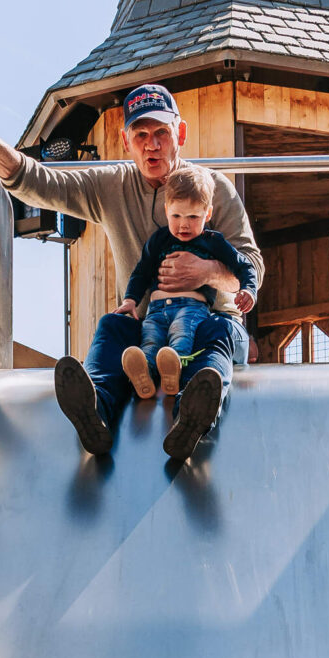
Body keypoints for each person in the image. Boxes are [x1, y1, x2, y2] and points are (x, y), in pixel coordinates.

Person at [0, 82, 261, 464]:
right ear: (125, 140)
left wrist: (208, 271)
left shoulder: (211, 190)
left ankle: (193, 417)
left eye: (161, 133)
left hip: (208, 322)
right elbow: (45, 184)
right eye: (141, 134)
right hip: (149, 324)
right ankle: (95, 412)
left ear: (179, 133)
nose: (152, 144)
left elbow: (250, 264)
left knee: (219, 335)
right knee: (112, 329)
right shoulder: (112, 185)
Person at [118, 164, 258, 454]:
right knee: (150, 340)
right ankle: (144, 376)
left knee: (182, 336)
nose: (183, 224)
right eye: (176, 216)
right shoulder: (159, 240)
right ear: (166, 209)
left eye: (193, 217)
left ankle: (176, 371)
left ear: (207, 215)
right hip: (156, 308)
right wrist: (131, 299)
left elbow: (243, 263)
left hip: (191, 307)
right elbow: (142, 272)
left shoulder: (212, 242)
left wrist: (248, 289)